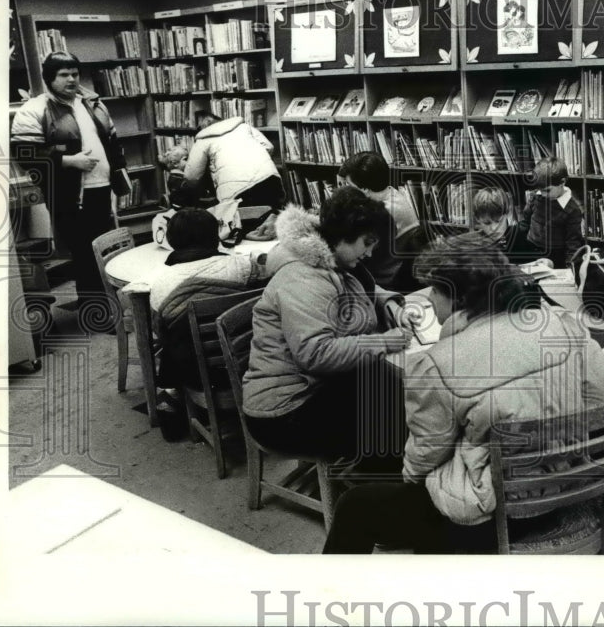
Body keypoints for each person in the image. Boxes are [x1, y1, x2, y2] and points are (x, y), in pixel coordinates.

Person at [322, 233, 604, 553]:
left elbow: (424, 459)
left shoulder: (439, 363)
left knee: (357, 504)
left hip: (495, 515)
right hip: (572, 485)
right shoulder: (561, 323)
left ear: (458, 300)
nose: (430, 302)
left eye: (434, 292)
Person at [241, 186, 414, 467]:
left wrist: (389, 304)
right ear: (343, 235)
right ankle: (377, 495)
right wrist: (386, 341)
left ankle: (382, 480)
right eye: (366, 242)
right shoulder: (303, 276)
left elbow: (357, 285)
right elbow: (316, 353)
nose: (370, 253)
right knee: (396, 416)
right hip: (285, 411)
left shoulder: (329, 259)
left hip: (312, 388)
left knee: (396, 393)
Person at [11, 51, 130, 309]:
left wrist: (119, 175)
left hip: (101, 188)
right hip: (69, 194)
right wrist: (68, 161)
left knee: (104, 250)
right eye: (64, 75)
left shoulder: (93, 103)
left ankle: (104, 304)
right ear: (49, 79)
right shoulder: (34, 109)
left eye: (75, 74)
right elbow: (24, 153)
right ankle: (95, 310)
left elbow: (113, 141)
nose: (71, 80)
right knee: (84, 254)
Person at [148, 207, 267, 436]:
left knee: (172, 344)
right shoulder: (241, 268)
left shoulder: (161, 284)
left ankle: (177, 405)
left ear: (172, 241)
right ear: (215, 236)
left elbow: (160, 336)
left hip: (196, 373)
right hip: (250, 360)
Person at [338, 151, 426, 291]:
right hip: (387, 273)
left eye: (348, 185)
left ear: (365, 189)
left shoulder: (382, 213)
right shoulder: (392, 194)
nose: (344, 190)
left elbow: (354, 253)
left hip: (381, 282)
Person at [183, 113, 283, 208]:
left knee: (243, 223)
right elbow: (269, 147)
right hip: (268, 178)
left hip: (236, 191)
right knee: (272, 219)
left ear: (203, 128)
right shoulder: (244, 127)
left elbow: (192, 177)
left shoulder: (203, 140)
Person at [521, 156, 585, 269]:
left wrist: (570, 269)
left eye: (547, 190)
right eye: (541, 190)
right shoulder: (536, 196)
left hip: (555, 257)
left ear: (562, 182)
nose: (543, 194)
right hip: (530, 250)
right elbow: (525, 222)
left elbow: (573, 243)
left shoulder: (572, 209)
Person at [471, 187, 540, 264]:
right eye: (487, 223)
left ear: (507, 214)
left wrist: (546, 262)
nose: (494, 228)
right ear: (477, 219)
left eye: (499, 222)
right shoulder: (473, 245)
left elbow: (543, 260)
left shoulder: (523, 235)